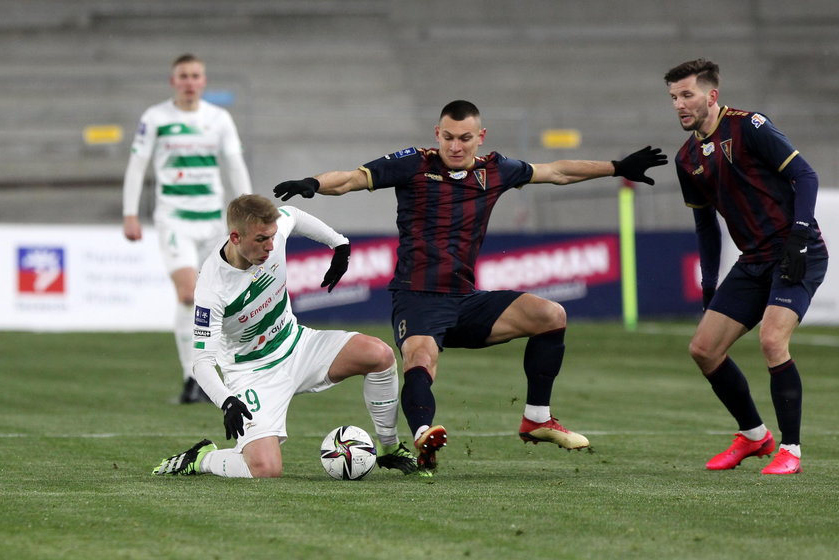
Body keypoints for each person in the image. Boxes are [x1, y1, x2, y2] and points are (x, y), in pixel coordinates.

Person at [272, 100, 667, 476]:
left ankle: (537, 418)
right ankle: (424, 434)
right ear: (437, 134)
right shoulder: (413, 164)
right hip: (417, 296)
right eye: (448, 137)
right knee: (420, 359)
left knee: (551, 315)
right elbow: (353, 179)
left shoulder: (496, 171)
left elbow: (558, 171)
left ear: (481, 136)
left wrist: (617, 167)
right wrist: (313, 183)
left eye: (464, 138)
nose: (455, 145)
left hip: (466, 300)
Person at [153, 194, 417, 478]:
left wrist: (338, 243)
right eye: (261, 240)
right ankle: (203, 458)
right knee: (265, 469)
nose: (270, 246)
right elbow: (201, 362)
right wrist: (226, 400)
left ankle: (390, 447)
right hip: (252, 373)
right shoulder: (211, 288)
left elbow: (293, 213)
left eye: (273, 236)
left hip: (298, 345)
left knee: (380, 355)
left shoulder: (273, 235)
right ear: (235, 237)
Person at [665, 59, 828, 475]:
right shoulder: (686, 159)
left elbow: (805, 176)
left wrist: (799, 234)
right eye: (673, 98)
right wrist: (708, 283)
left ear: (711, 95)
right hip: (753, 260)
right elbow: (705, 225)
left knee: (773, 342)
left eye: (687, 95)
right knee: (703, 349)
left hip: (796, 250)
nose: (680, 105)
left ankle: (790, 449)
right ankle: (755, 437)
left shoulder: (749, 125)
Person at [122, 53, 253, 404]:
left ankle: (215, 376)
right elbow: (137, 166)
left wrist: (248, 211)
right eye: (183, 76)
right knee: (187, 294)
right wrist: (129, 213)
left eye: (196, 75)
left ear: (204, 81)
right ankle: (192, 377)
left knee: (220, 299)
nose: (190, 81)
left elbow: (234, 165)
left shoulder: (218, 119)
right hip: (174, 219)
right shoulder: (156, 118)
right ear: (173, 81)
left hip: (214, 222)